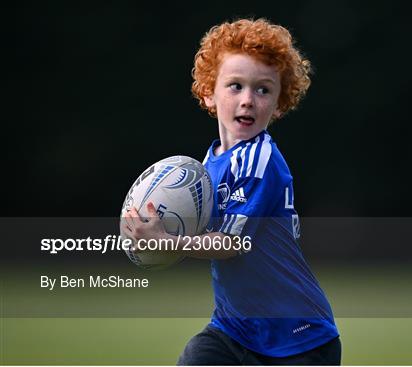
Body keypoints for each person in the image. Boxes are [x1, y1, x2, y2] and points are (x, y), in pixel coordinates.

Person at [123, 18, 341, 365]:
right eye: (235, 86)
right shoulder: (208, 165)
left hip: (298, 339)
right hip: (234, 329)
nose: (248, 100)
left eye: (263, 90)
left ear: (280, 103)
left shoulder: (260, 159)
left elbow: (231, 244)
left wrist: (168, 242)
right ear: (209, 93)